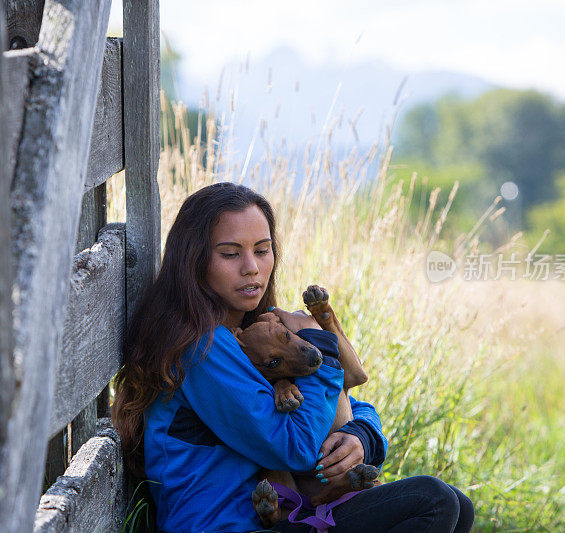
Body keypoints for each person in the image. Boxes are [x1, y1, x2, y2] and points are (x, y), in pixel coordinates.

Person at [114, 182, 474, 532]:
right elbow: (297, 448)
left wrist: (361, 436)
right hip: (231, 525)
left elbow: (347, 400)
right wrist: (320, 347)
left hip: (287, 515)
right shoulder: (202, 348)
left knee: (458, 505)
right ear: (194, 262)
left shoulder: (257, 332)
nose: (251, 266)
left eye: (262, 249)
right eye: (230, 253)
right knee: (434, 501)